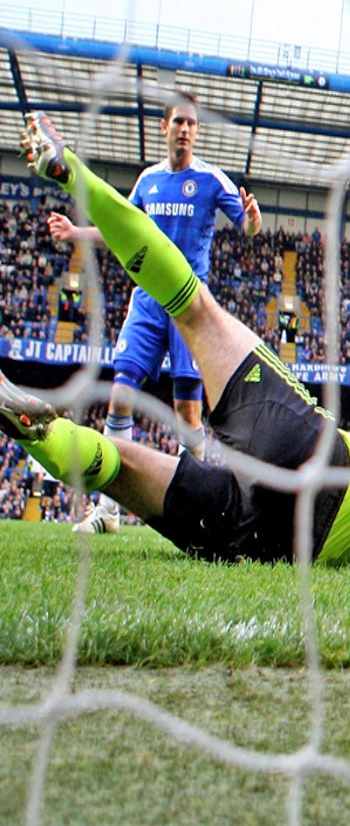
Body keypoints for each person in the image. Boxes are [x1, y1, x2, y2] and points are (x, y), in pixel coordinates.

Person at [6, 111, 350, 566]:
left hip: (314, 452)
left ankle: (71, 171)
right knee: (119, 468)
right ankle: (43, 436)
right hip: (272, 541)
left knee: (193, 309)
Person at [48, 94, 262, 535]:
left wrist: (254, 219)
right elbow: (121, 229)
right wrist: (74, 232)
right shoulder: (147, 181)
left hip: (188, 306)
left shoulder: (210, 179)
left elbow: (246, 224)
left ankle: (198, 516)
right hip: (146, 301)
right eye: (178, 121)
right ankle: (108, 510)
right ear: (164, 126)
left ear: (197, 132)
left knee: (187, 411)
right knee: (119, 396)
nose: (185, 129)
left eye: (192, 124)